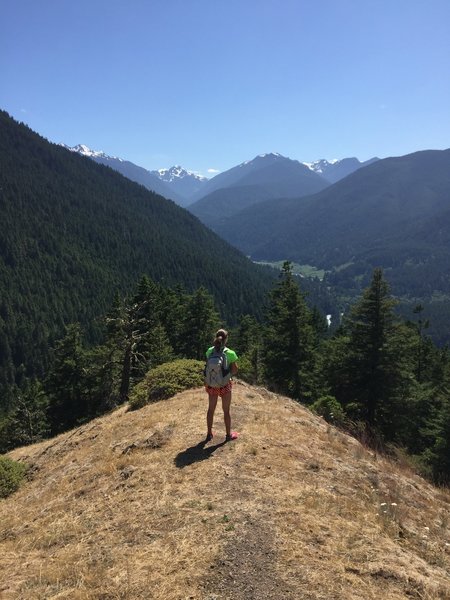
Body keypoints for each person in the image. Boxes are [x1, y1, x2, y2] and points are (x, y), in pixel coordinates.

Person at [204, 328, 239, 442]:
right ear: (226, 339)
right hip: (224, 385)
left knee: (211, 409)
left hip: (212, 385)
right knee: (226, 411)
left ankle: (209, 433)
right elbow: (234, 371)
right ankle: (228, 435)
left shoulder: (209, 351)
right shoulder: (230, 353)